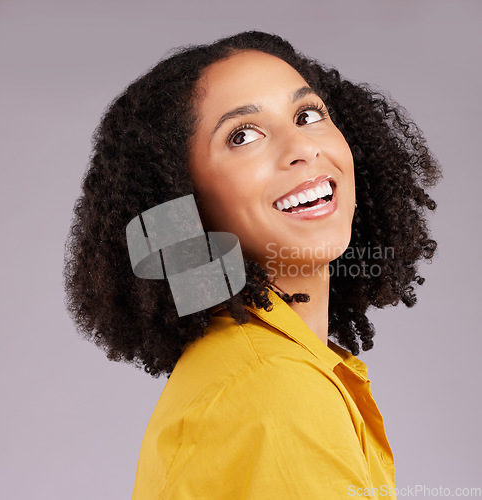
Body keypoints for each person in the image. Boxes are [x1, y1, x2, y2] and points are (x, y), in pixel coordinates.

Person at [63, 30, 442, 499]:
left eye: (307, 115)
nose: (302, 147)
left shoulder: (244, 363)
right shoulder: (277, 392)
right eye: (243, 135)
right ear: (185, 202)